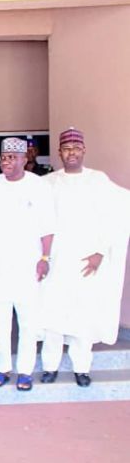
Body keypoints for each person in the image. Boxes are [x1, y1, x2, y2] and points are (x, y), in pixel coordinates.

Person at [39, 128, 130, 387]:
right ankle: (50, 366)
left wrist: (100, 252)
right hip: (56, 259)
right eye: (67, 149)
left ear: (84, 150)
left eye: (76, 148)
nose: (72, 153)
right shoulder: (48, 183)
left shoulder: (98, 180)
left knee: (83, 314)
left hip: (87, 261)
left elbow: (116, 213)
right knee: (53, 315)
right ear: (59, 152)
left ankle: (82, 368)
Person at [0, 138, 55, 392]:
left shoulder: (38, 185)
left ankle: (25, 371)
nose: (7, 162)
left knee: (28, 321)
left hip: (28, 264)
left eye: (13, 157)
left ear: (25, 159)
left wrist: (45, 258)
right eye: (4, 157)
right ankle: (3, 368)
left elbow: (48, 226)